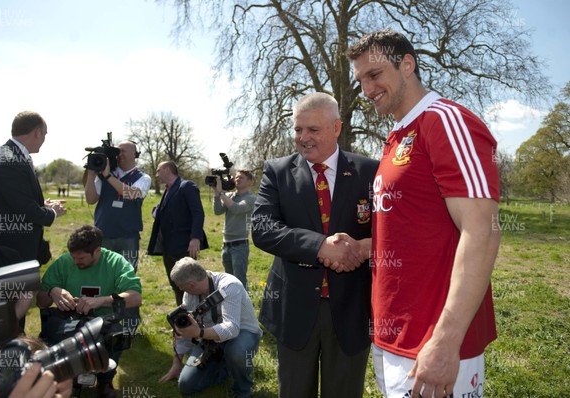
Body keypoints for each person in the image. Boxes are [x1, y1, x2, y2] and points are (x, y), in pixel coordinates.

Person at [347, 28, 500, 398]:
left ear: (407, 65)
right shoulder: (397, 135)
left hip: (433, 343)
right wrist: (362, 246)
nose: (367, 90)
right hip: (391, 337)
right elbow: (415, 229)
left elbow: (483, 231)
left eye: (374, 75)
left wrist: (445, 341)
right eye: (360, 81)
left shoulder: (445, 121)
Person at [251, 92, 379, 397]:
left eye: (313, 130)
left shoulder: (370, 171)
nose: (303, 138)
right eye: (298, 130)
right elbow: (263, 228)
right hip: (294, 309)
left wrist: (362, 247)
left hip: (351, 309)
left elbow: (393, 230)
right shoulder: (278, 171)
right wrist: (320, 246)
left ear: (336, 128)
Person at [36, 224, 142, 398]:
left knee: (115, 336)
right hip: (69, 322)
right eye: (73, 257)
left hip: (102, 323)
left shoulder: (115, 262)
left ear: (97, 251)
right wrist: (52, 291)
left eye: (82, 258)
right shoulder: (64, 262)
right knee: (48, 339)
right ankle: (65, 379)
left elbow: (135, 297)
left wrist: (100, 301)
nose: (76, 262)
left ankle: (104, 380)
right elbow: (40, 302)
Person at [158, 257, 261, 398]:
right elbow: (184, 329)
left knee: (235, 351)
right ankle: (226, 366)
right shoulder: (190, 295)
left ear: (192, 284)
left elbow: (232, 328)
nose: (180, 290)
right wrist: (177, 363)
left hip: (243, 333)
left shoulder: (230, 286)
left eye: (180, 286)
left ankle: (243, 389)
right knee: (186, 386)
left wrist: (199, 332)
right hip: (210, 338)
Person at [0, 111, 66, 263]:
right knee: (18, 287)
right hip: (11, 251)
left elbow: (16, 199)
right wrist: (53, 212)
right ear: (37, 132)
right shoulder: (10, 160)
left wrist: (43, 205)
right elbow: (26, 209)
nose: (44, 140)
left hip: (16, 248)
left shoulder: (13, 156)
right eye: (44, 134)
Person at [147, 161, 208, 306]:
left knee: (189, 284)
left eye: (158, 170)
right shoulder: (168, 189)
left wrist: (195, 238)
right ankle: (182, 320)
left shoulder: (187, 186)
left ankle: (197, 320)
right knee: (177, 285)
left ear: (168, 170)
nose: (156, 174)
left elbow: (198, 213)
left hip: (184, 246)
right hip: (168, 247)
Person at [84, 141, 151, 271]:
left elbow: (131, 194)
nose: (119, 154)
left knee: (127, 274)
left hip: (128, 236)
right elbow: (91, 199)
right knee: (102, 273)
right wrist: (91, 176)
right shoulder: (104, 173)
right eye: (117, 151)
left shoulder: (143, 177)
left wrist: (108, 176)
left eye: (123, 151)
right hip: (104, 234)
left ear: (134, 154)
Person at [212, 170, 256, 289]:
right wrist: (216, 193)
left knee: (240, 281)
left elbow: (237, 209)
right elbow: (217, 211)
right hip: (226, 245)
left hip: (240, 245)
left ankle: (244, 306)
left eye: (241, 177)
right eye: (236, 177)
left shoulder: (251, 199)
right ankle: (232, 305)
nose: (237, 179)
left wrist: (221, 193)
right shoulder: (230, 196)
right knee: (229, 280)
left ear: (250, 182)